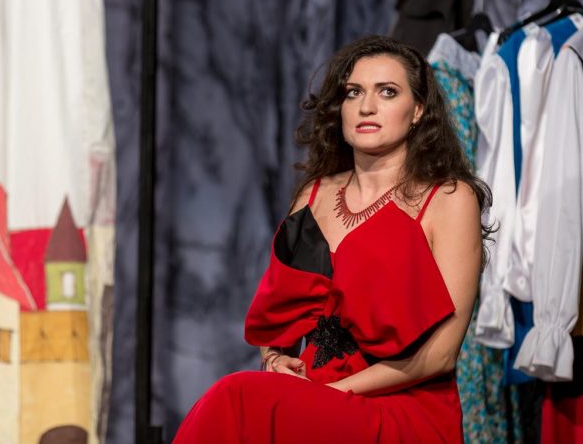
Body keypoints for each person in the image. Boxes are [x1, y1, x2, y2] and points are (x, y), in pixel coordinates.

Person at [173, 35, 492, 443]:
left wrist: (332, 392)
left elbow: (442, 355)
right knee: (245, 403)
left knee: (235, 397)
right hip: (311, 397)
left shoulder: (449, 198)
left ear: (417, 111)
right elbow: (279, 325)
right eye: (353, 92)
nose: (366, 106)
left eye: (387, 92)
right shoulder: (313, 195)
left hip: (399, 407)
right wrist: (275, 361)